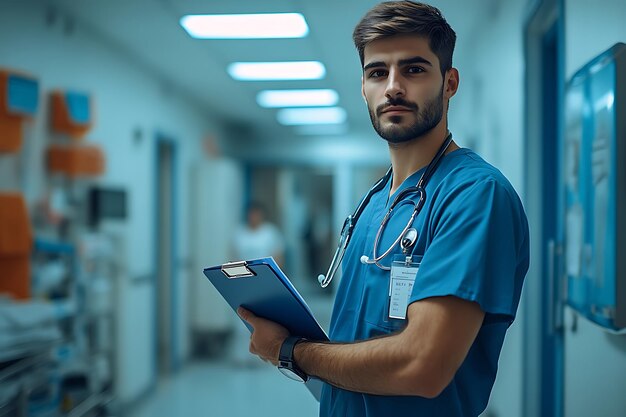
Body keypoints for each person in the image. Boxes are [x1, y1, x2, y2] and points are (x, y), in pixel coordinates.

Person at [237, 1, 530, 416]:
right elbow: (352, 341)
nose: (393, 87)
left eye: (413, 69)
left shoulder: (475, 195)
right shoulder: (374, 202)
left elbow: (422, 366)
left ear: (449, 82)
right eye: (378, 72)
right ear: (363, 88)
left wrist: (290, 351)